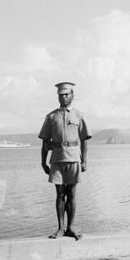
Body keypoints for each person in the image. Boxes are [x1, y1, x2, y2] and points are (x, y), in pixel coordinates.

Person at [38, 82, 92, 240]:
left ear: (72, 96)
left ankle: (71, 227)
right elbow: (44, 141)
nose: (64, 97)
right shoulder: (51, 116)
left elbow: (85, 140)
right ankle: (61, 228)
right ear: (58, 97)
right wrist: (43, 162)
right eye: (61, 95)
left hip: (74, 158)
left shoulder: (79, 115)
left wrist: (85, 161)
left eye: (67, 94)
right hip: (57, 159)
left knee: (72, 194)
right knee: (60, 194)